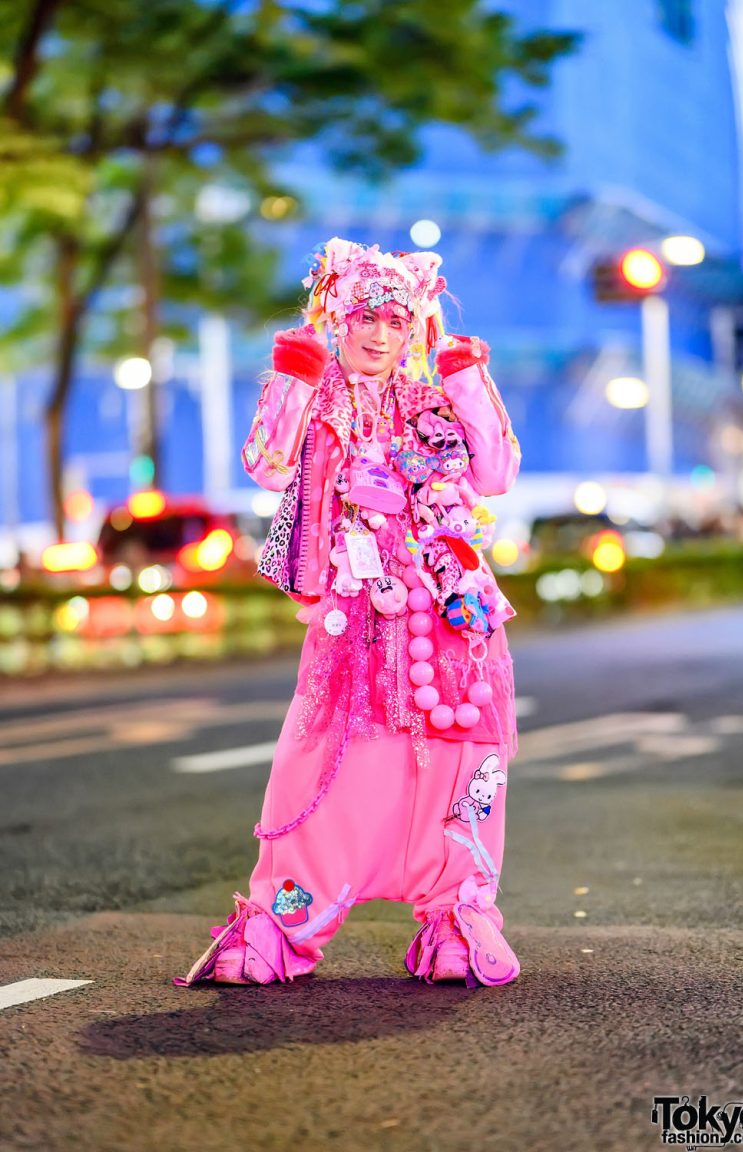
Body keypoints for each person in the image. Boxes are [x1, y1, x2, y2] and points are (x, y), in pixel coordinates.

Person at [175, 238, 523, 989]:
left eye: (397, 320)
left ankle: (457, 917)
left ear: (414, 329)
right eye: (364, 314)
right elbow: (267, 465)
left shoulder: (433, 401)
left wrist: (464, 374)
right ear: (336, 315)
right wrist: (294, 376)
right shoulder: (320, 397)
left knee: (459, 767)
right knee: (322, 770)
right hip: (354, 620)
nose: (378, 332)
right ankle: (282, 924)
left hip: (450, 619)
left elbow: (494, 474)